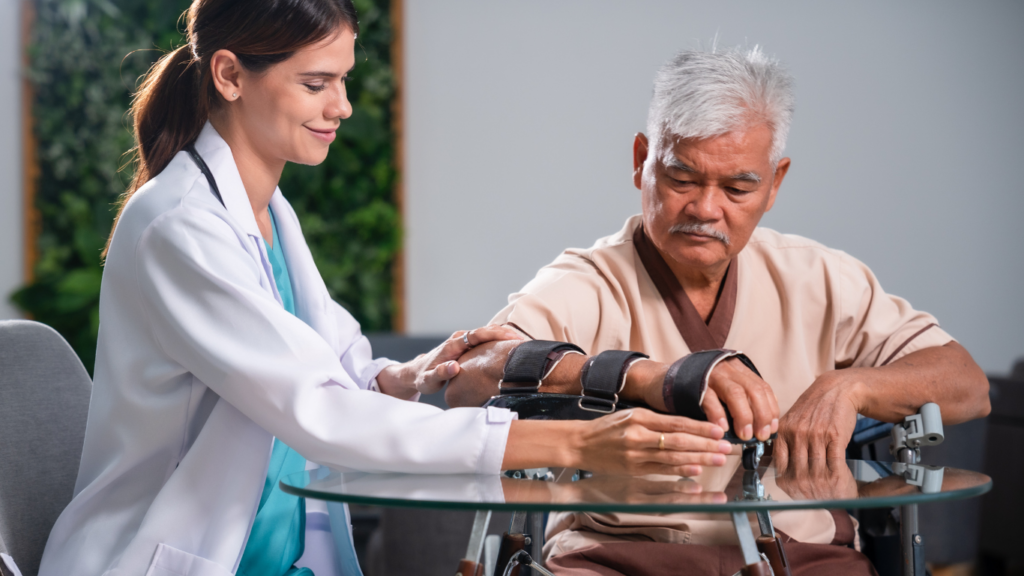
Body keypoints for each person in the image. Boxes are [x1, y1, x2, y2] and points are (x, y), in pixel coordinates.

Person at [36, 2, 733, 575]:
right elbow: (317, 412)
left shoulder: (269, 211)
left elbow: (332, 368)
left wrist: (404, 376)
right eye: (316, 84)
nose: (341, 105)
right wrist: (573, 446)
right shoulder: (178, 225)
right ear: (229, 75)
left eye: (343, 79)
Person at [444, 46, 991, 575]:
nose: (706, 209)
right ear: (641, 162)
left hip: (800, 553)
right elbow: (468, 380)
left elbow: (967, 385)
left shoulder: (820, 277)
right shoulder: (587, 281)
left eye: (737, 187)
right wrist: (645, 378)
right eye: (682, 178)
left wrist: (850, 388)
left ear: (775, 183)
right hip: (617, 554)